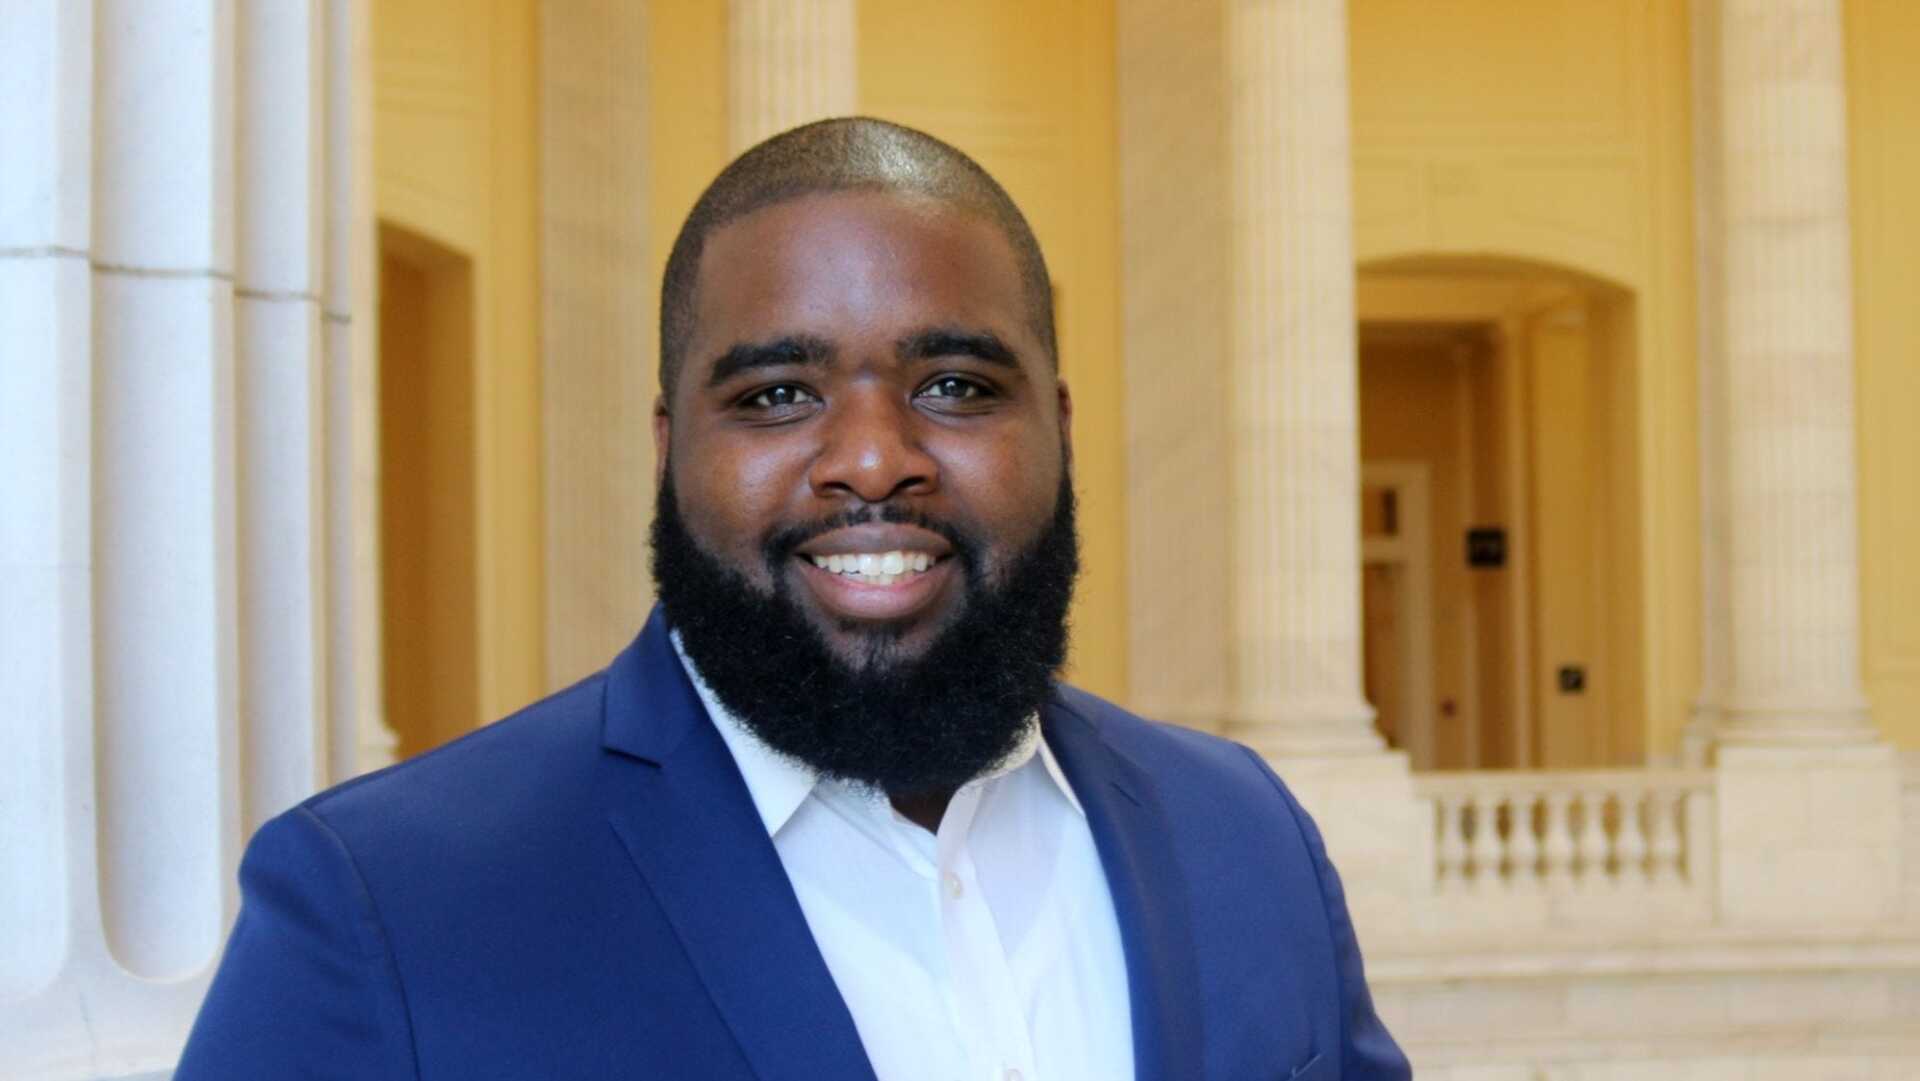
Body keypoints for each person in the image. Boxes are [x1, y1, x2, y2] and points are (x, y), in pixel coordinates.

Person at [176, 117, 1409, 1081]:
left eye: (958, 385)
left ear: (1059, 429)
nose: (873, 458)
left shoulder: (1244, 834)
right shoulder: (385, 907)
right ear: (668, 449)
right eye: (775, 396)